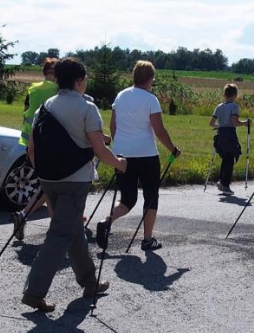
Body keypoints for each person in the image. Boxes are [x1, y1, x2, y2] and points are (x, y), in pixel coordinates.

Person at [21, 58, 127, 312]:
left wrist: (42, 172)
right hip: (75, 179)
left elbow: (32, 148)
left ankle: (89, 282)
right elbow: (99, 149)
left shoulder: (45, 107)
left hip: (48, 179)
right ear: (79, 80)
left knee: (73, 229)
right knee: (59, 234)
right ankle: (34, 293)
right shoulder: (87, 109)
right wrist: (120, 164)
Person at [100, 60, 181, 251]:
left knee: (128, 198)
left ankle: (107, 220)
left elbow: (113, 125)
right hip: (146, 155)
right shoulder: (150, 99)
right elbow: (159, 129)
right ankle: (147, 239)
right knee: (151, 196)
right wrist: (172, 149)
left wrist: (118, 143)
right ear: (151, 78)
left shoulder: (120, 96)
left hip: (122, 155)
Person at [10, 58, 59, 241]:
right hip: (47, 143)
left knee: (47, 185)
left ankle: (55, 226)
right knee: (50, 186)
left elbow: (25, 112)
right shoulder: (57, 90)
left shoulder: (33, 88)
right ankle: (25, 214)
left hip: (29, 142)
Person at [209, 83, 251, 196]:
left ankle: (222, 181)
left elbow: (211, 123)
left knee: (226, 158)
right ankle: (225, 184)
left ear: (225, 94)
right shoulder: (234, 107)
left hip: (220, 135)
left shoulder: (219, 106)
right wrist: (245, 123)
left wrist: (220, 126)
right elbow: (234, 121)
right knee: (231, 157)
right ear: (235, 95)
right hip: (229, 135)